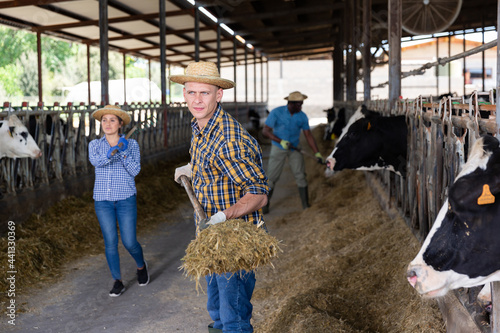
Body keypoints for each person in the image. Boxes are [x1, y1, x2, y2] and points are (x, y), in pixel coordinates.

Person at [171, 61, 269, 333]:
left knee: (233, 316)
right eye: (191, 92)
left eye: (205, 93)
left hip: (234, 241)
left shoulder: (229, 139)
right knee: (216, 309)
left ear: (219, 94)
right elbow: (215, 167)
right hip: (211, 238)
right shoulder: (200, 126)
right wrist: (192, 169)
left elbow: (259, 195)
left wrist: (222, 216)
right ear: (184, 94)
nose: (197, 99)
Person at [89, 105, 149, 297]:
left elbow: (135, 171)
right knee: (110, 242)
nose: (107, 124)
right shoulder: (95, 145)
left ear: (120, 124)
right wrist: (111, 152)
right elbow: (96, 162)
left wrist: (122, 151)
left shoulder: (131, 145)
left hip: (125, 199)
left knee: (130, 242)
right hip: (103, 201)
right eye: (104, 120)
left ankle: (141, 266)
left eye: (112, 120)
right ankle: (117, 281)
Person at [262, 91, 324, 213]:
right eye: (298, 105)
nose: (301, 107)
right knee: (272, 177)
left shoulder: (302, 116)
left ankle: (306, 205)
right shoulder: (276, 113)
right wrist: (280, 141)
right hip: (278, 147)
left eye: (301, 104)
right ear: (290, 103)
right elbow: (265, 131)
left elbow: (308, 135)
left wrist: (317, 153)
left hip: (295, 147)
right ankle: (265, 205)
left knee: (300, 175)